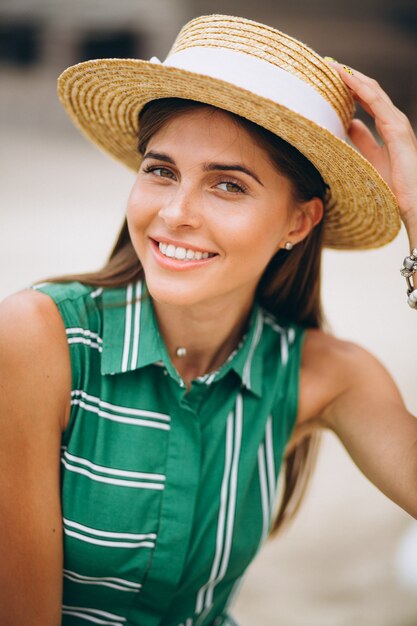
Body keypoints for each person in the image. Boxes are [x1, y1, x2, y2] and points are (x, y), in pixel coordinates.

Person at [1, 13, 416, 626]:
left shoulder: (322, 374)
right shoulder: (40, 340)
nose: (176, 213)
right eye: (161, 170)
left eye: (227, 185)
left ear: (298, 223)